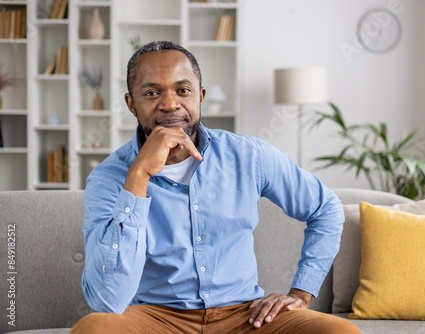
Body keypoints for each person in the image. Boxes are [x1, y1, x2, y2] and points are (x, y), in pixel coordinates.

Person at [70, 41, 361, 334]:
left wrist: (301, 293)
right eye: (151, 92)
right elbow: (108, 299)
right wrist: (139, 174)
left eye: (183, 90)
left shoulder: (249, 155)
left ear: (201, 97)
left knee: (341, 332)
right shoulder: (108, 178)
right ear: (131, 104)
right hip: (155, 318)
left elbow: (326, 208)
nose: (170, 104)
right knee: (94, 329)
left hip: (247, 316)